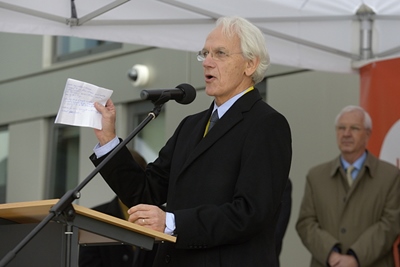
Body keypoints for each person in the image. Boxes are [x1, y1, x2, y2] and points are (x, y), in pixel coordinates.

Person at [90, 16, 292, 267]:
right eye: (205, 53)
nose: (207, 62)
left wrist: (172, 222)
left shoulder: (267, 124)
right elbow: (145, 192)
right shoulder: (191, 126)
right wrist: (109, 140)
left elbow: (250, 212)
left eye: (220, 53)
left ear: (250, 64)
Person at [296, 105, 400, 267]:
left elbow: (391, 224)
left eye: (354, 128)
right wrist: (331, 254)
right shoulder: (316, 177)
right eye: (341, 128)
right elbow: (305, 223)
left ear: (367, 134)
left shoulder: (390, 176)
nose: (346, 134)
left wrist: (355, 257)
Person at [79, 150, 159, 267]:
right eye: (123, 177)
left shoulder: (163, 217)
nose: (128, 184)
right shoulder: (95, 218)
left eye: (133, 178)